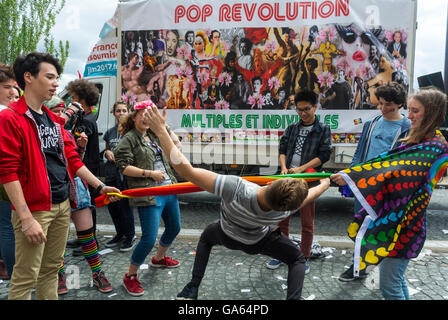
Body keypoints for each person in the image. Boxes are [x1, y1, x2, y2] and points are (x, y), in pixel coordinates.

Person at [143, 104, 331, 300]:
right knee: (298, 259)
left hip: (226, 235)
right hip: (258, 243)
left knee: (207, 237)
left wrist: (160, 130)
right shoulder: (284, 209)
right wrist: (325, 183)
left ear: (269, 182)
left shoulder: (237, 188)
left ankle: (193, 286)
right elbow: (311, 195)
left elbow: (185, 171)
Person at [0, 52, 120, 300]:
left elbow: (73, 161)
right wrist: (26, 218)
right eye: (50, 76)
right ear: (28, 77)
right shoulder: (10, 118)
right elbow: (7, 171)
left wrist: (100, 186)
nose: (56, 83)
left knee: (51, 271)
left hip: (63, 205)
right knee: (25, 277)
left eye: (57, 77)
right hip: (35, 210)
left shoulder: (54, 120)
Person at [331, 87, 448, 300]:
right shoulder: (424, 140)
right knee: (396, 279)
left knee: (390, 284)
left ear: (430, 113)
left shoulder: (434, 147)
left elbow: (392, 168)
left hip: (405, 225)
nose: (409, 116)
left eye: (415, 111)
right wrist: (351, 174)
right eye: (410, 110)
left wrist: (353, 176)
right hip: (398, 222)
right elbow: (387, 162)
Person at [336, 82, 411, 282]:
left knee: (383, 229)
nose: (384, 109)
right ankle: (359, 265)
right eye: (381, 104)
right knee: (362, 226)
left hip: (389, 189)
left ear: (400, 104)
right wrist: (349, 176)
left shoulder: (407, 128)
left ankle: (379, 268)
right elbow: (359, 154)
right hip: (364, 187)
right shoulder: (372, 123)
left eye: (389, 106)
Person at [45, 96, 113, 295]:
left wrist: (80, 146)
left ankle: (97, 273)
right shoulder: (45, 132)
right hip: (56, 188)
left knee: (87, 235)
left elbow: (76, 164)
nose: (60, 115)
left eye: (61, 111)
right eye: (55, 111)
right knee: (59, 238)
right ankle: (60, 274)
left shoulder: (68, 133)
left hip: (76, 187)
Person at [114, 100, 182, 297]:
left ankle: (159, 259)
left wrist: (163, 126)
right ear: (133, 117)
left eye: (149, 114)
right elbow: (123, 166)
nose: (145, 117)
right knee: (149, 238)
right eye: (142, 114)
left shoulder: (154, 134)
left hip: (169, 189)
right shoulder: (129, 138)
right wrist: (149, 173)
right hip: (149, 193)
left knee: (174, 227)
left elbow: (176, 144)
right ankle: (131, 275)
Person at [267, 89, 332, 272]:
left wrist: (301, 170)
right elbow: (282, 148)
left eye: (307, 109)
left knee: (307, 222)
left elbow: (324, 155)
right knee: (282, 218)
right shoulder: (292, 128)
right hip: (287, 178)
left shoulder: (323, 129)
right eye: (299, 110)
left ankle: (303, 257)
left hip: (309, 180)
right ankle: (282, 254)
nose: (303, 113)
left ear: (316, 107)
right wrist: (284, 169)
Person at [65, 79, 101, 243]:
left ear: (82, 99)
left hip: (86, 166)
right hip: (88, 165)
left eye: (73, 97)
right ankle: (85, 237)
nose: (71, 101)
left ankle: (89, 238)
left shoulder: (85, 120)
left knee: (86, 204)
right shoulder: (88, 117)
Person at [103, 101, 136, 251]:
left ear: (129, 113)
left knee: (125, 206)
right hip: (111, 173)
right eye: (118, 111)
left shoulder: (133, 131)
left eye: (124, 110)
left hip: (125, 175)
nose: (121, 113)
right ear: (113, 113)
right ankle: (119, 234)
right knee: (112, 206)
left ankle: (130, 236)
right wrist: (107, 153)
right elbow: (107, 150)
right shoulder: (110, 132)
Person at [0, 64, 17, 280]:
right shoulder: (5, 113)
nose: (13, 92)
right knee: (9, 226)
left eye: (14, 87)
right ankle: (15, 275)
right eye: (6, 87)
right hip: (7, 178)